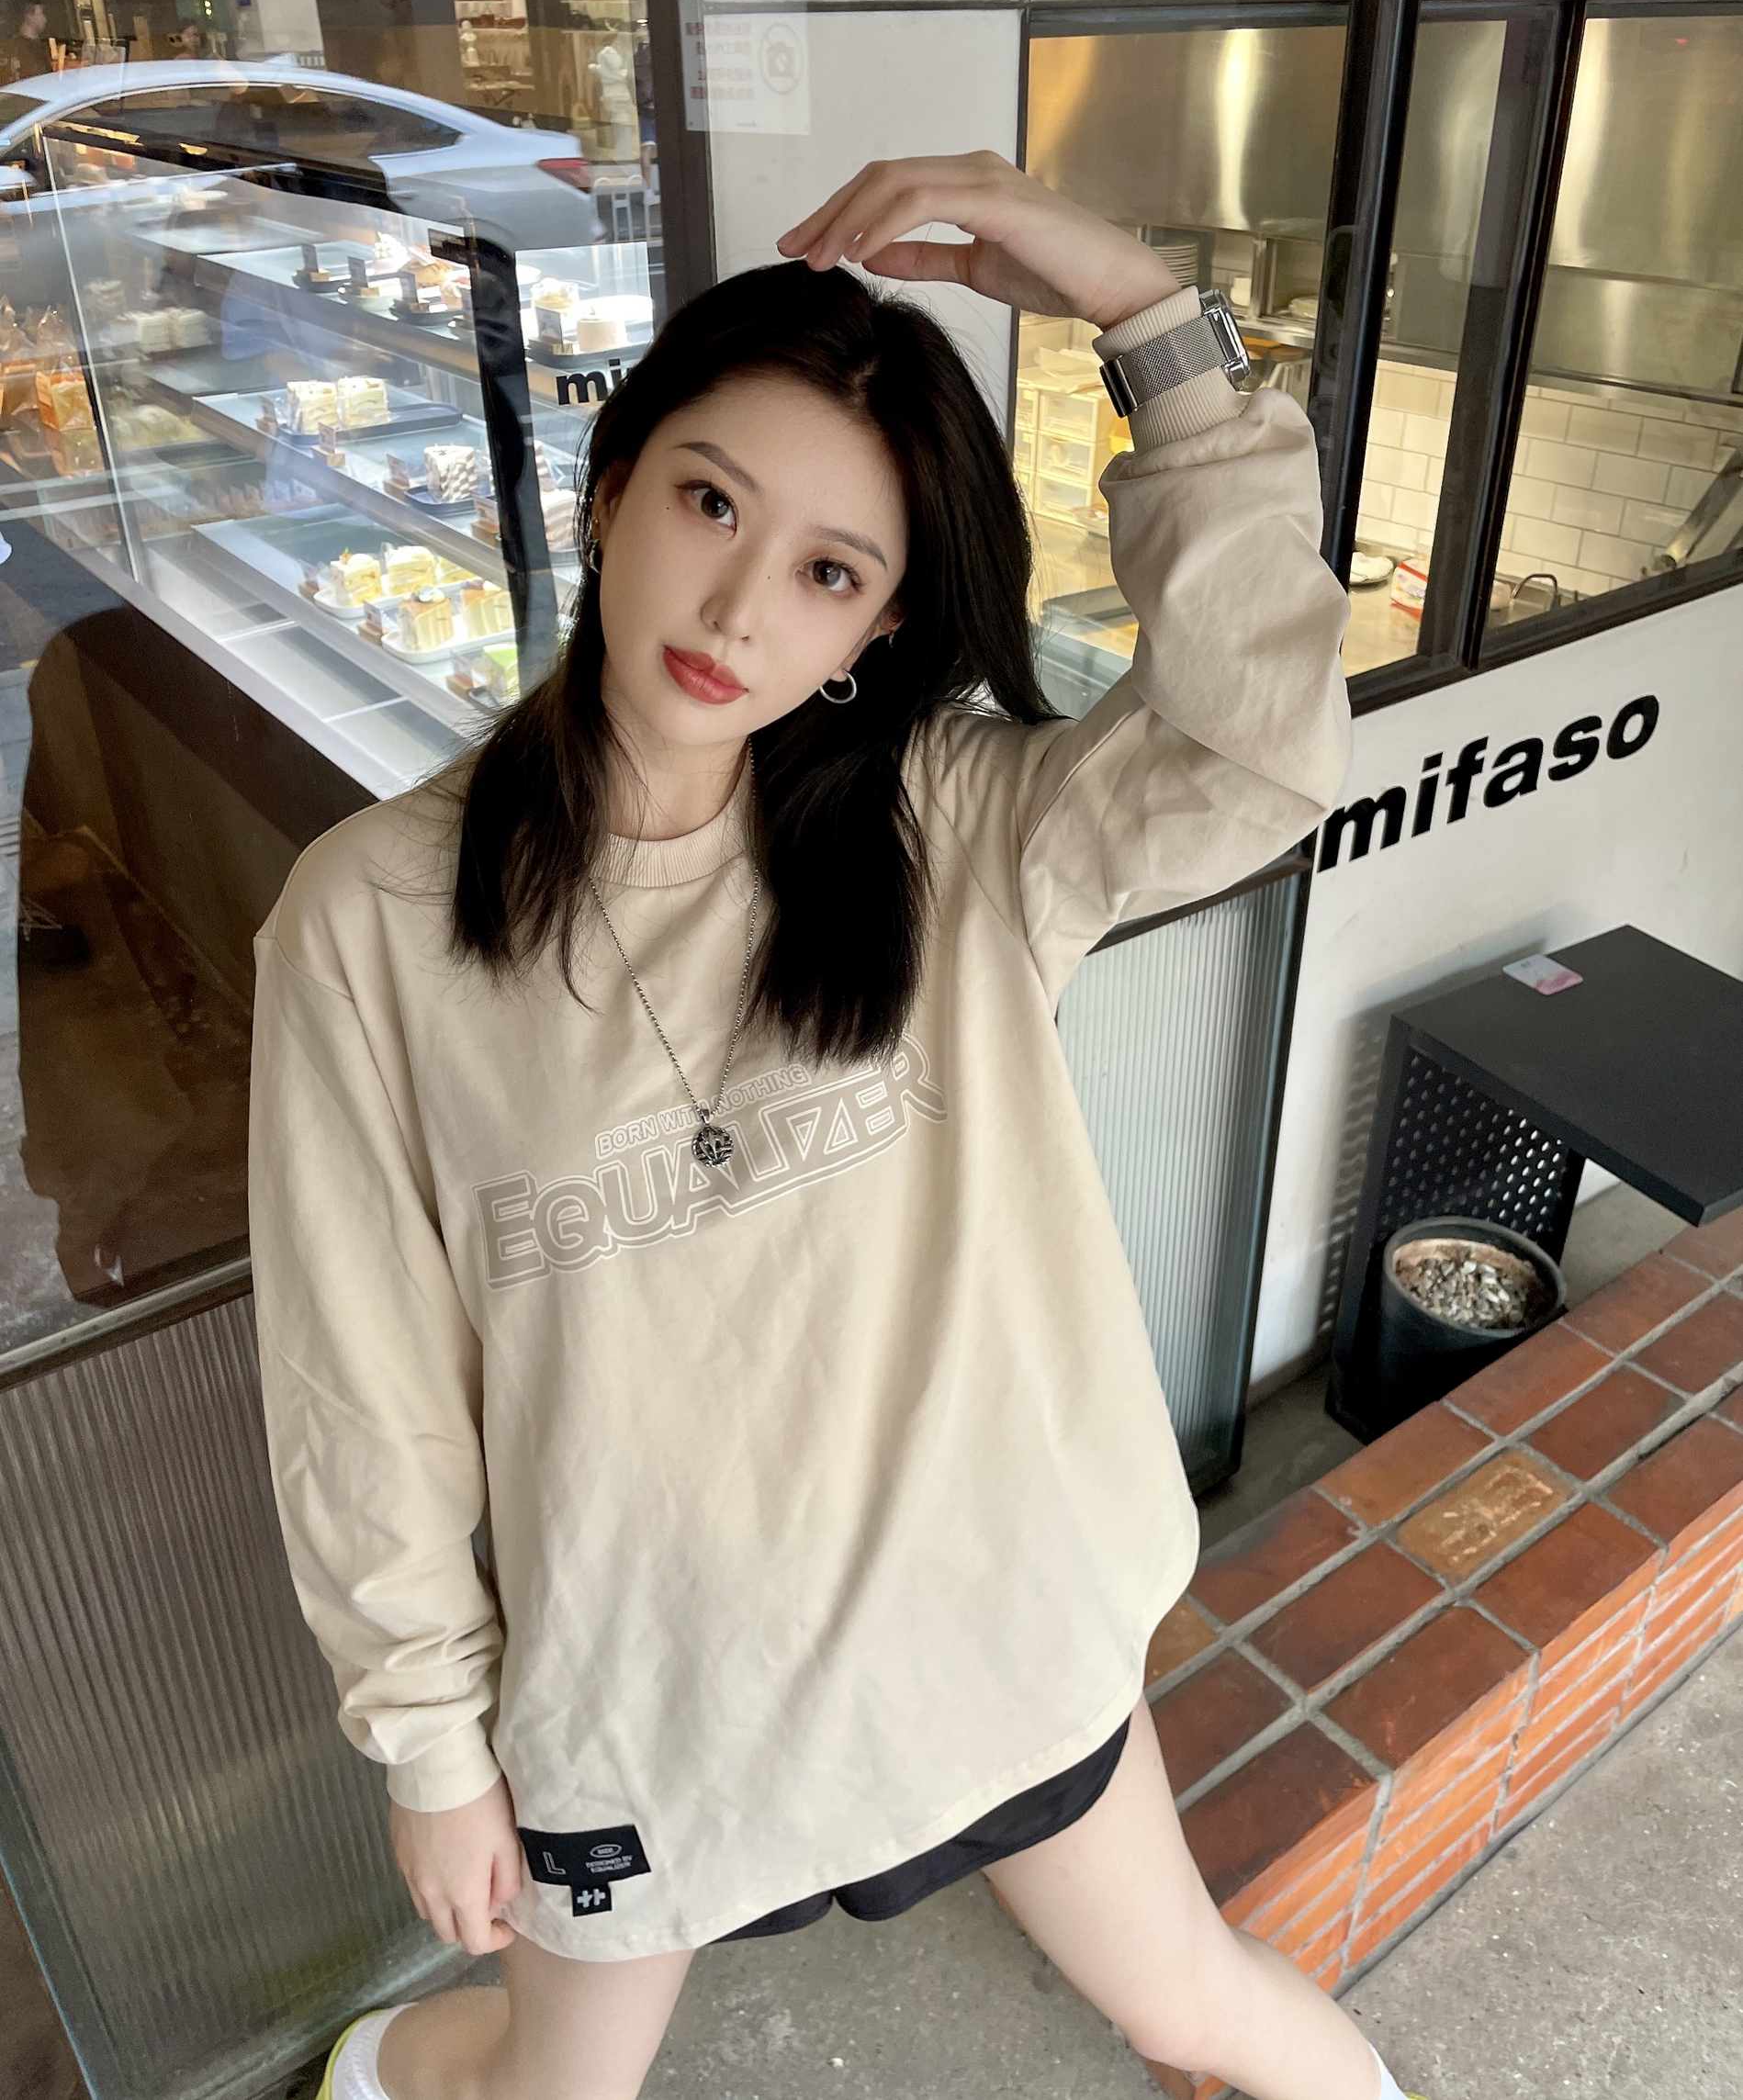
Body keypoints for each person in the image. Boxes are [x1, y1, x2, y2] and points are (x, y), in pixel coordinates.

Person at [250, 152, 1423, 2100]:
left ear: (875, 628)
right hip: (647, 1691)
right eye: (709, 501)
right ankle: (406, 2063)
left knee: (1192, 2007)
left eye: (827, 571)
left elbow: (1249, 749)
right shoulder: (368, 920)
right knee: (554, 2088)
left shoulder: (950, 827)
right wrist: (432, 1751)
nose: (737, 605)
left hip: (988, 1629)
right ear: (611, 483)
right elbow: (357, 1387)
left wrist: (1147, 316)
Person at [0, 0, 51, 84]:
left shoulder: (42, 46)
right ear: (29, 17)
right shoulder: (14, 50)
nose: (45, 19)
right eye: (41, 14)